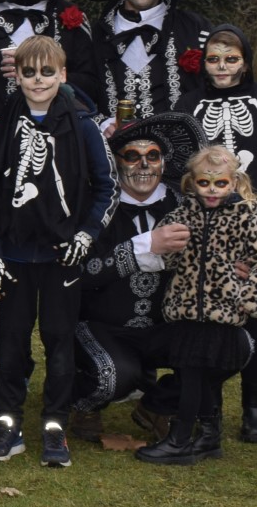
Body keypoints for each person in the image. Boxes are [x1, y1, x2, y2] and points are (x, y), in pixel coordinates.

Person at [0, 34, 116, 468]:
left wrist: (86, 235)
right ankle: (8, 424)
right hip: (15, 256)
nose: (38, 80)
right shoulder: (1, 127)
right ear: (16, 76)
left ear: (63, 74)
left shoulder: (84, 126)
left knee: (59, 343)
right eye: (29, 72)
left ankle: (56, 426)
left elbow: (107, 186)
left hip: (62, 258)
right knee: (12, 344)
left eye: (47, 72)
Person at [177, 23, 257, 442]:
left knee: (249, 319)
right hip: (204, 228)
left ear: (245, 62)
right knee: (204, 323)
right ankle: (206, 408)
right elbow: (180, 173)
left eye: (231, 59)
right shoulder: (189, 103)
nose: (222, 66)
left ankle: (253, 406)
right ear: (203, 63)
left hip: (251, 227)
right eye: (214, 59)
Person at [136, 147, 257, 465]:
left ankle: (180, 439)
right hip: (186, 312)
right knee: (193, 372)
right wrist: (169, 250)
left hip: (222, 315)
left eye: (220, 183)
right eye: (204, 183)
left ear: (234, 182)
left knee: (195, 372)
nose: (212, 190)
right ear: (192, 182)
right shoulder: (182, 214)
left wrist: (250, 299)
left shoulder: (244, 218)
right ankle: (208, 436)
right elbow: (165, 254)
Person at [68, 113, 205, 443]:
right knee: (114, 377)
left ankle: (158, 404)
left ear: (163, 161)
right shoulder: (94, 206)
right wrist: (141, 248)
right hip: (102, 326)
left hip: (166, 327)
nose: (144, 165)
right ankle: (82, 402)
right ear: (115, 162)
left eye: (153, 156)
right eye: (132, 155)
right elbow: (77, 273)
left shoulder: (186, 205)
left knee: (231, 346)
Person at [77, 0, 211, 122]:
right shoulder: (95, 35)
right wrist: (101, 122)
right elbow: (79, 90)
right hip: (115, 140)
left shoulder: (195, 28)